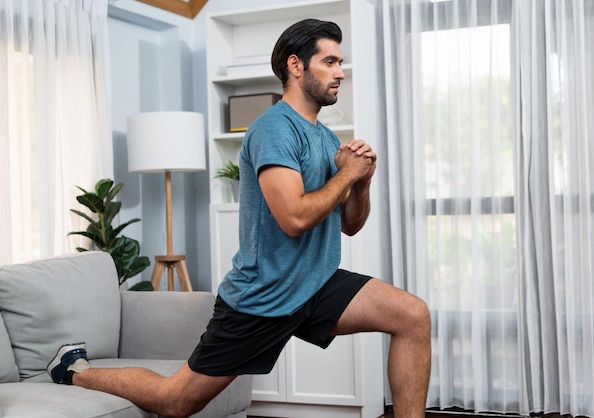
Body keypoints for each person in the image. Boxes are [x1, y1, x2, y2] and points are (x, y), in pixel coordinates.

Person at [47, 18, 431, 418]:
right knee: (175, 402)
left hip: (315, 283)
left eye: (341, 62)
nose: (340, 73)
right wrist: (347, 174)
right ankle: (76, 370)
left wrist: (362, 181)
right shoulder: (273, 129)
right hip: (263, 296)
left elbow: (349, 224)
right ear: (296, 65)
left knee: (412, 315)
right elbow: (295, 218)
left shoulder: (325, 137)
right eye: (330, 62)